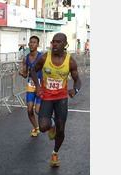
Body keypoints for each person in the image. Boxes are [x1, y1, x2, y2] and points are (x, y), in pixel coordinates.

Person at [30, 32, 81, 167]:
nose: (55, 44)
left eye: (59, 42)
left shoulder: (70, 61)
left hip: (61, 98)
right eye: (54, 42)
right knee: (43, 126)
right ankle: (51, 125)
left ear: (65, 44)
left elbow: (77, 81)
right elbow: (33, 71)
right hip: (46, 96)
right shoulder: (44, 57)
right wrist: (38, 86)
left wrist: (75, 90)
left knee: (62, 129)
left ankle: (55, 153)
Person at [18, 36, 45, 137]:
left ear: (38, 45)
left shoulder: (42, 57)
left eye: (34, 42)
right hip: (31, 85)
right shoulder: (26, 58)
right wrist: (21, 73)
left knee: (38, 111)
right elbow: (25, 75)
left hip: (41, 85)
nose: (32, 44)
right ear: (28, 44)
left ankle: (50, 116)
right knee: (29, 109)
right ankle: (35, 128)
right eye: (31, 42)